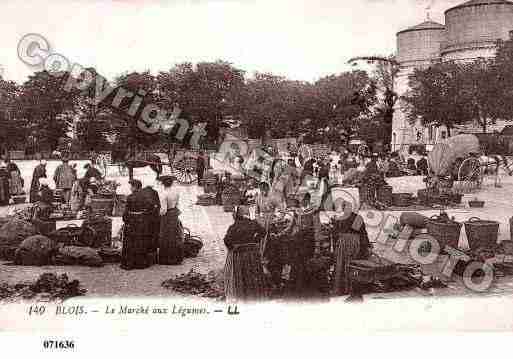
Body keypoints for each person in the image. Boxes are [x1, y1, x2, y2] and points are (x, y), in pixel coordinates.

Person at [121, 179, 156, 270]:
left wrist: (126, 220)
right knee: (141, 241)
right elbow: (152, 208)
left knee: (130, 242)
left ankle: (129, 262)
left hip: (132, 221)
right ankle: (141, 263)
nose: (130, 188)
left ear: (134, 187)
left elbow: (126, 212)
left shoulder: (130, 197)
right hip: (142, 221)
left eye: (131, 186)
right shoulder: (146, 196)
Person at [158, 175, 184, 265]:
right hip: (174, 214)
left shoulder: (163, 194)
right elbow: (177, 204)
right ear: (172, 183)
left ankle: (166, 258)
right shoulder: (176, 192)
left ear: (163, 184)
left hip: (167, 216)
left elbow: (163, 210)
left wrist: (158, 214)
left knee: (165, 236)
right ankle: (176, 257)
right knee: (175, 235)